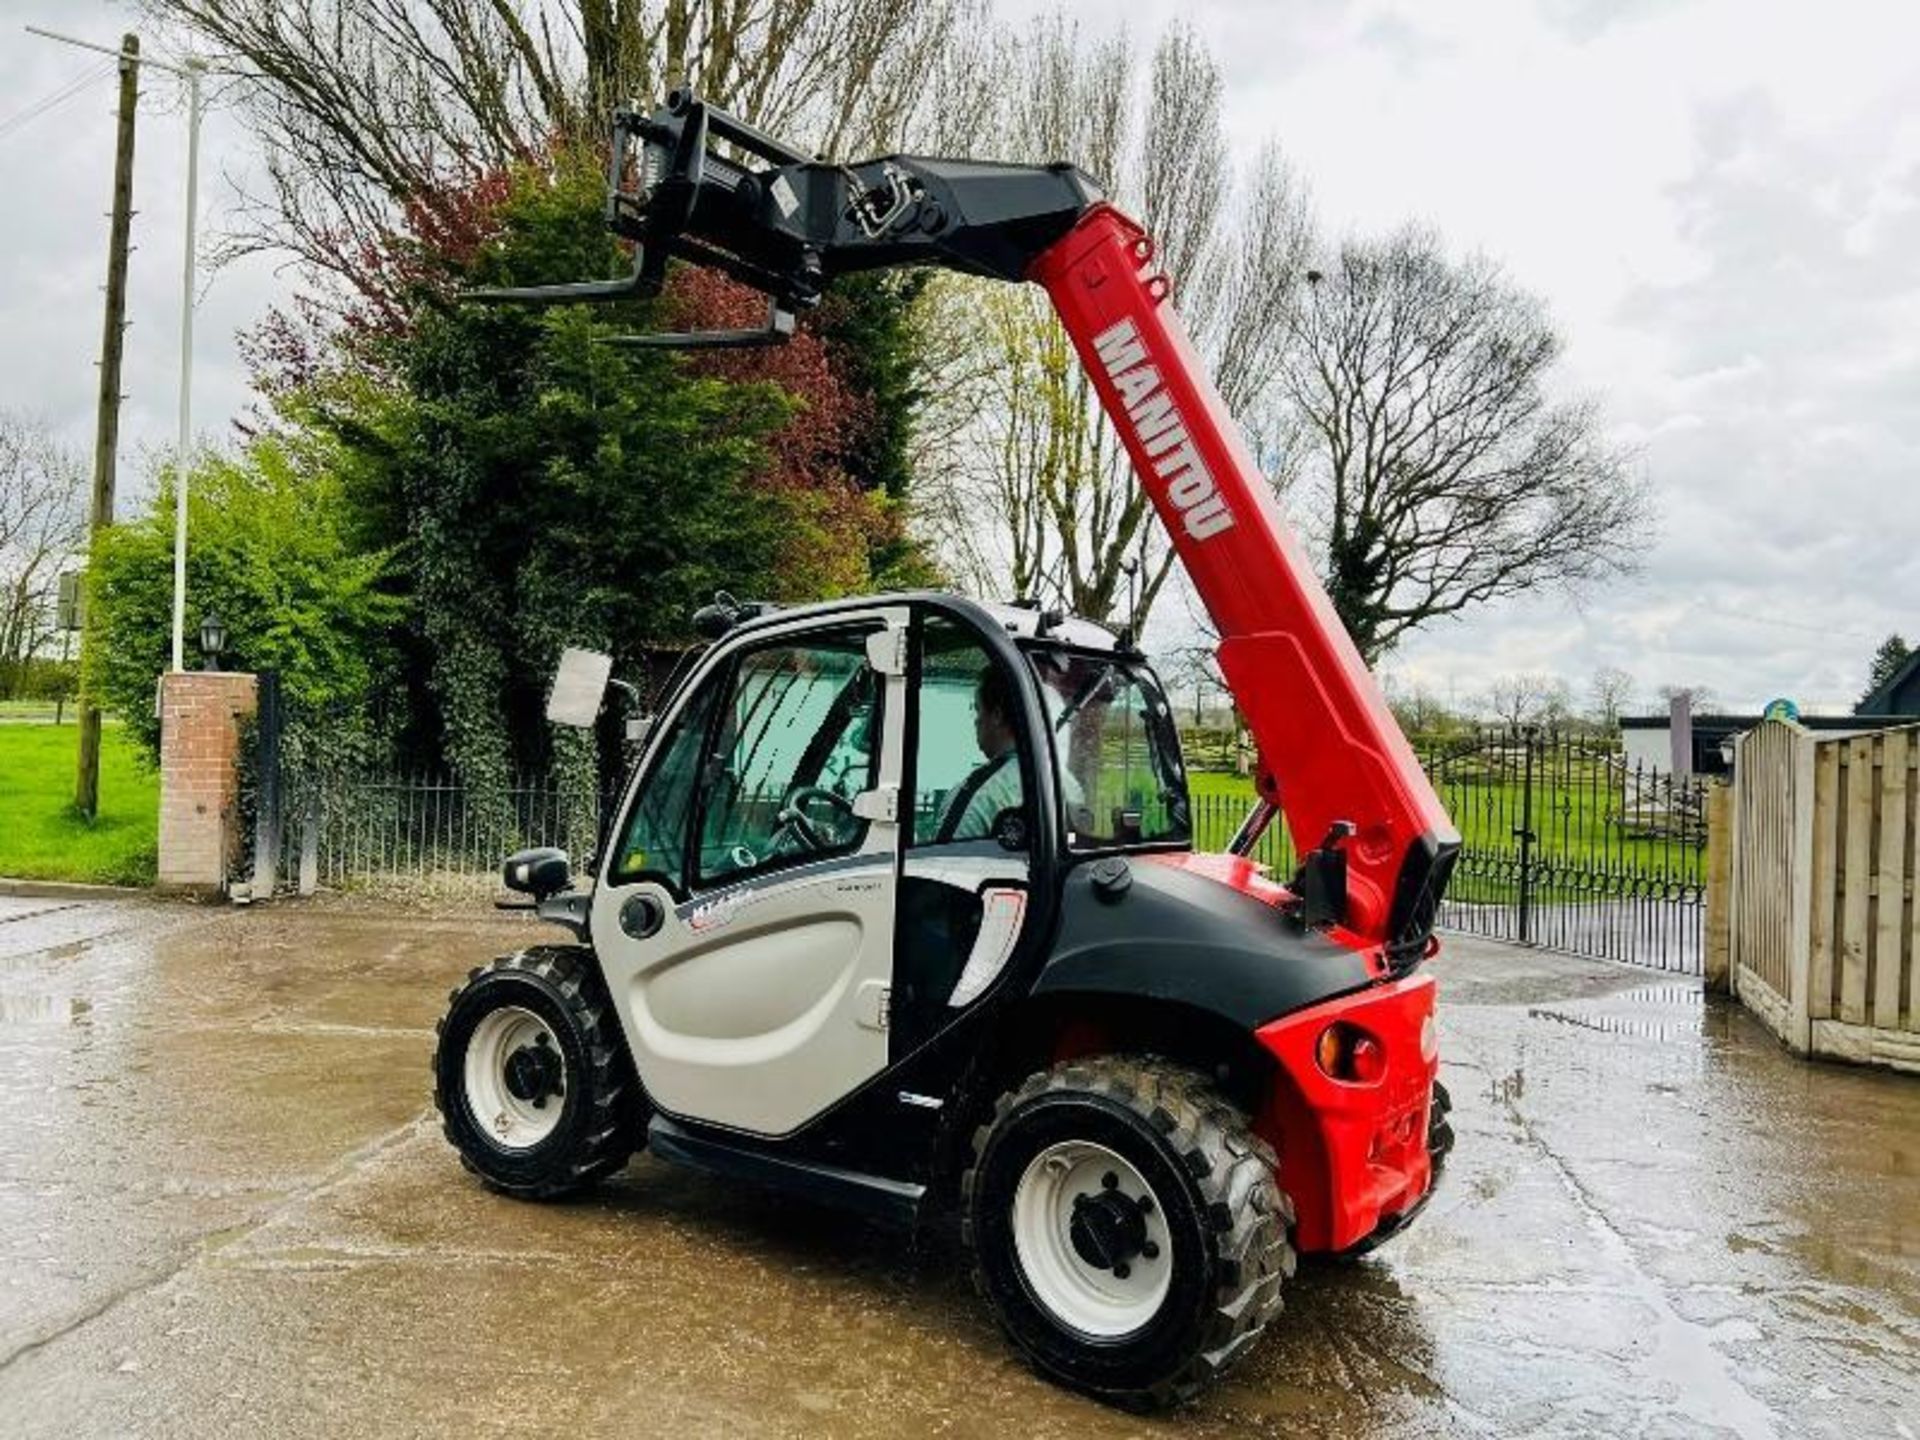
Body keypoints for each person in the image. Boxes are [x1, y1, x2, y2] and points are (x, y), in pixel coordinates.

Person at [935, 663, 1025, 843]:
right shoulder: (1064, 781)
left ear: (997, 715)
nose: (976, 721)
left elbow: (943, 864)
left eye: (977, 709)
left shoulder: (978, 795)